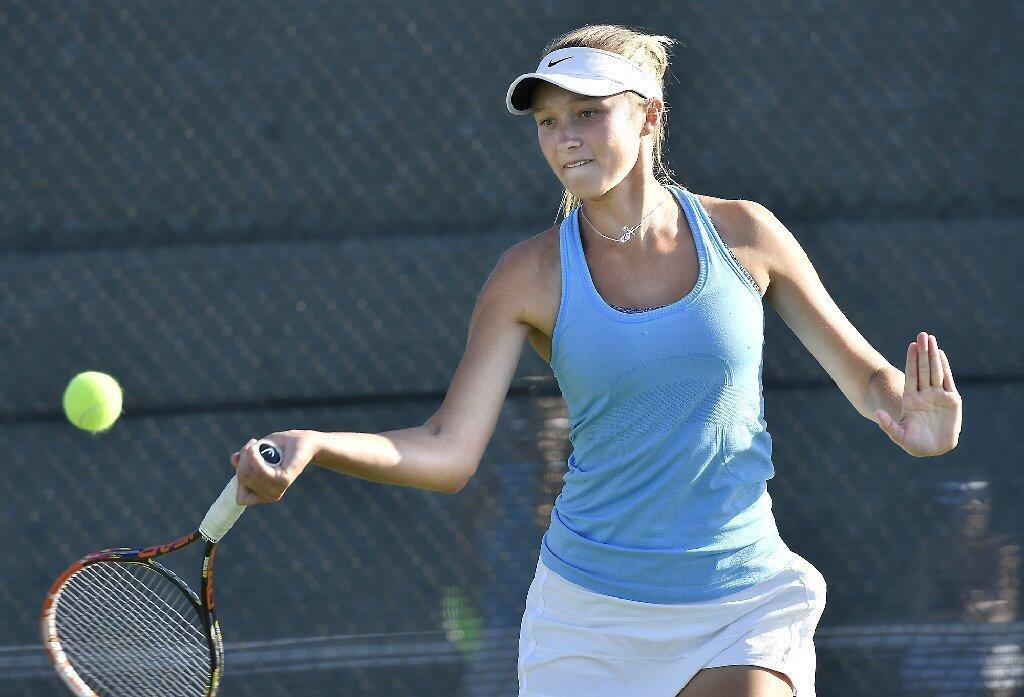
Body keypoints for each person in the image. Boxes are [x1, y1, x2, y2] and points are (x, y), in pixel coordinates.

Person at [229, 23, 964, 697]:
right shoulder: (529, 276)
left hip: (740, 598)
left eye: (587, 112)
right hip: (589, 616)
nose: (564, 138)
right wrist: (316, 444)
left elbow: (866, 374)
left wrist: (906, 409)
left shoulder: (747, 234)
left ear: (650, 115)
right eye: (548, 121)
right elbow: (448, 451)